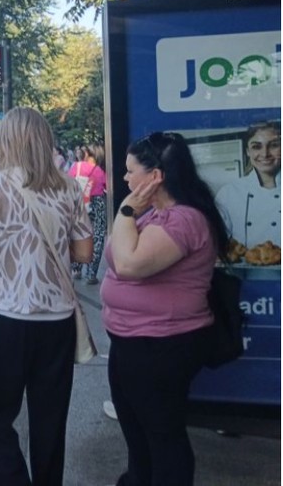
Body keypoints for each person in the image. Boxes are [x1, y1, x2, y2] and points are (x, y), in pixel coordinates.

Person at [0, 107, 93, 486]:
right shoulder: (69, 186)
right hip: (56, 321)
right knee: (50, 421)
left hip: (3, 318)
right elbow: (85, 253)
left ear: (6, 141)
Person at [102, 131, 228, 486]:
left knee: (162, 435)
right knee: (137, 431)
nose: (125, 179)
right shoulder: (150, 215)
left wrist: (126, 210)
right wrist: (131, 215)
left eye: (130, 172)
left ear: (155, 176)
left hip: (162, 346)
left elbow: (128, 264)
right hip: (132, 343)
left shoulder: (183, 219)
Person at [215, 121, 281, 249]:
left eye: (274, 145)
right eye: (257, 147)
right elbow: (218, 241)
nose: (265, 154)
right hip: (245, 269)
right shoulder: (229, 193)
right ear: (248, 151)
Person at [70, 144, 108, 285]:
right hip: (97, 203)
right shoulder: (99, 170)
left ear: (86, 154)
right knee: (97, 235)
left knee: (77, 232)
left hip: (79, 203)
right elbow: (106, 187)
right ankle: (91, 274)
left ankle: (76, 269)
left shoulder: (75, 167)